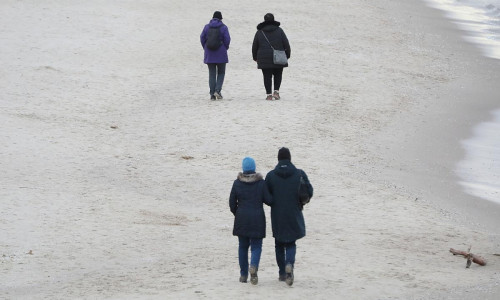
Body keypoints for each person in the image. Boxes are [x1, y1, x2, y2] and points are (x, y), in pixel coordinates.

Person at [265, 147, 313, 286]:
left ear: (278, 159)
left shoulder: (271, 176)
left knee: (279, 244)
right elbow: (309, 191)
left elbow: (266, 196)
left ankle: (281, 272)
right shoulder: (299, 174)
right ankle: (289, 266)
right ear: (290, 158)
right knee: (291, 243)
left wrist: (273, 202)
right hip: (294, 213)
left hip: (277, 215)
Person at [229, 157, 273, 285]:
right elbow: (269, 200)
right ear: (254, 168)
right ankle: (253, 266)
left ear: (243, 168)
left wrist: (237, 213)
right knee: (256, 246)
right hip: (257, 218)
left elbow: (232, 203)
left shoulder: (237, 183)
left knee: (242, 247)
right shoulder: (261, 183)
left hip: (241, 218)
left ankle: (243, 274)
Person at [252, 13, 291, 100]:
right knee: (278, 74)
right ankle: (276, 92)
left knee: (266, 76)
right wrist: (287, 55)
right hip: (278, 56)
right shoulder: (279, 30)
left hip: (264, 58)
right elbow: (286, 44)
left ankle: (269, 95)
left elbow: (255, 46)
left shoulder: (259, 32)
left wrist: (255, 57)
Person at [200, 11, 231, 100]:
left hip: (209, 53)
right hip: (221, 52)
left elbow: (202, 38)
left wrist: (205, 47)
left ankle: (212, 94)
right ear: (221, 18)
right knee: (221, 73)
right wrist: (225, 47)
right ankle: (217, 90)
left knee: (212, 74)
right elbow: (227, 39)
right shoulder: (224, 27)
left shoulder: (207, 27)